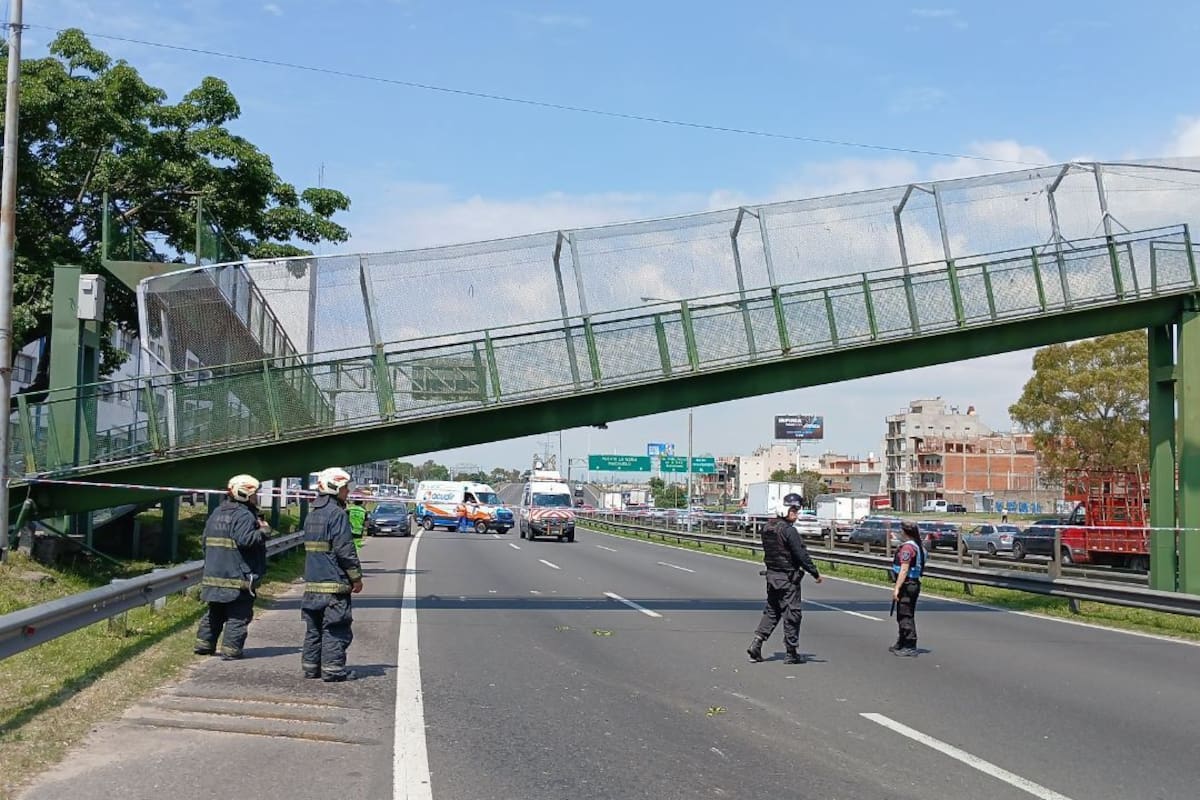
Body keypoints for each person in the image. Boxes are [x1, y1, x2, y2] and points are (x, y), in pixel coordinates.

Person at [194, 474, 270, 660]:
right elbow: (246, 540)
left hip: (214, 574)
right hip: (237, 576)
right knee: (238, 615)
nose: (256, 498)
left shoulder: (217, 512)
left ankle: (204, 645)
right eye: (254, 494)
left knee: (216, 612)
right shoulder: (243, 515)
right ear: (245, 494)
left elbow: (205, 542)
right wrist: (263, 531)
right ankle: (231, 650)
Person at [301, 467, 364, 682]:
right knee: (335, 627)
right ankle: (333, 669)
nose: (348, 492)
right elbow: (345, 549)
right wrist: (355, 577)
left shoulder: (312, 514)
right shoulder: (337, 514)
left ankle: (311, 667)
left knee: (314, 629)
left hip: (312, 585)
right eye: (345, 488)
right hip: (334, 584)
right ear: (335, 488)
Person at [747, 492, 823, 665]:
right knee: (792, 614)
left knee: (772, 611)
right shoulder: (789, 531)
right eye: (794, 510)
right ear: (785, 510)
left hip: (772, 576)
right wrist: (815, 573)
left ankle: (757, 642)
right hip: (788, 579)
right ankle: (791, 652)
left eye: (797, 510)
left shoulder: (767, 528)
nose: (796, 514)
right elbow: (801, 554)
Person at [889, 520, 926, 657]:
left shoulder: (908, 548)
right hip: (913, 583)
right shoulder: (919, 546)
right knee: (902, 614)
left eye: (901, 531)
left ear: (905, 532)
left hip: (908, 584)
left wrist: (897, 588)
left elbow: (904, 569)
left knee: (905, 615)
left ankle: (910, 644)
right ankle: (901, 642)